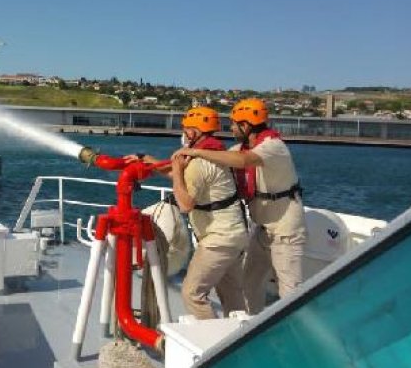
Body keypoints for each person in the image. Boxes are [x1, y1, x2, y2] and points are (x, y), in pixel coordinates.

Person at [173, 98, 305, 314]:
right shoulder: (239, 149)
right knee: (248, 286)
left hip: (285, 230)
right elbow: (224, 158)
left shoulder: (273, 147)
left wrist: (196, 152)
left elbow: (244, 161)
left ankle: (298, 338)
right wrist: (151, 162)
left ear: (246, 125)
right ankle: (249, 332)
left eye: (234, 124)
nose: (231, 128)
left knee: (290, 292)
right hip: (261, 228)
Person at [130, 106, 247, 320]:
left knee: (192, 293)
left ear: (193, 133)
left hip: (219, 239)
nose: (183, 134)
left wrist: (176, 172)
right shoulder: (216, 153)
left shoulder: (198, 164)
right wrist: (151, 162)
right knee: (232, 294)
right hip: (235, 233)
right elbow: (186, 179)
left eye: (185, 129)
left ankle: (214, 345)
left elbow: (184, 204)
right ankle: (242, 336)